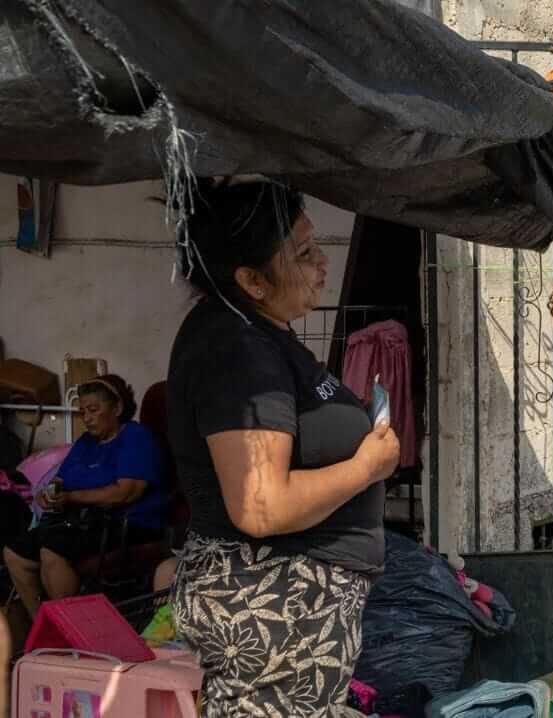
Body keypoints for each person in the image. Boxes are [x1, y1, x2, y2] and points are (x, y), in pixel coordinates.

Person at [166, 179, 400, 717]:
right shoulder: (239, 351)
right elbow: (261, 505)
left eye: (315, 245)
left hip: (289, 602)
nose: (323, 263)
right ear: (251, 280)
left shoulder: (255, 333)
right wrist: (367, 466)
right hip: (274, 601)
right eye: (303, 254)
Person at [3, 374, 169, 616]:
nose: (88, 419)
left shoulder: (136, 438)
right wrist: (50, 494)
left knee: (52, 549)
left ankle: (68, 629)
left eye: (93, 410)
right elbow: (61, 480)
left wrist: (71, 498)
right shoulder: (86, 443)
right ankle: (41, 623)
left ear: (117, 408)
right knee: (14, 553)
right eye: (83, 412)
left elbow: (126, 493)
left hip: (129, 523)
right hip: (83, 521)